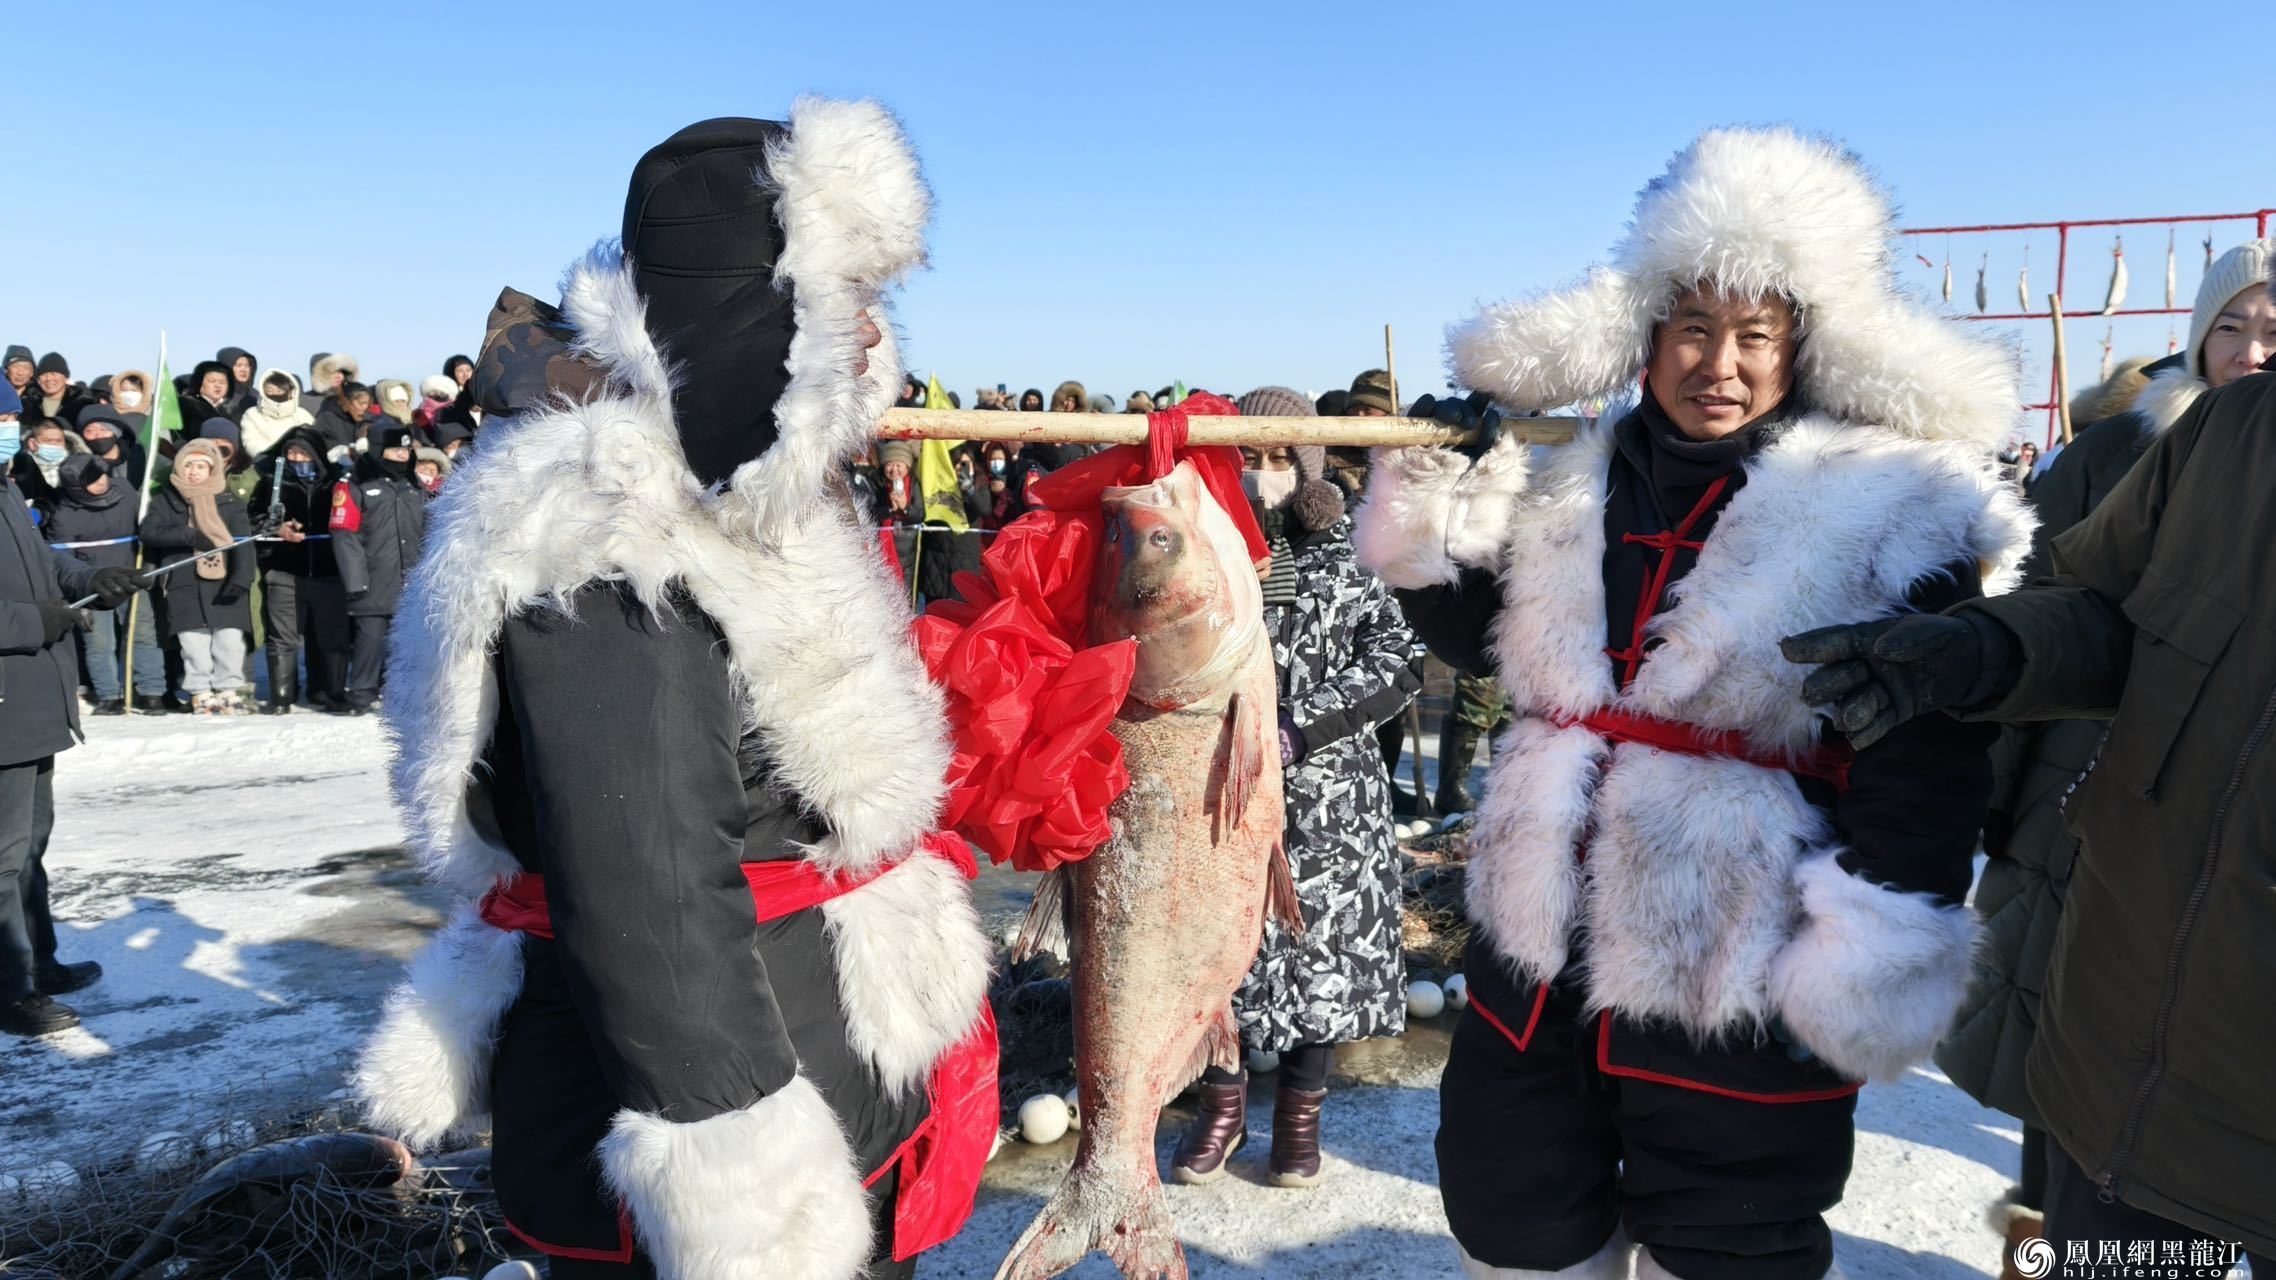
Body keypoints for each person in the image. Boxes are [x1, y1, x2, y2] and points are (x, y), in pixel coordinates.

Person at [1356, 129, 2025, 1280]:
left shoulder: (1885, 510)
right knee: (1513, 1215)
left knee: (1728, 1240)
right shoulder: (1573, 471)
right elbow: (1474, 636)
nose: (1719, 363)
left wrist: (1873, 940)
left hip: (1731, 954)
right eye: (1693, 330)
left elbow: (1922, 756)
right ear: (1646, 337)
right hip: (1536, 943)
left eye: (1753, 336)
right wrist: (1440, 483)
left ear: (1799, 347)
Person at [351, 103, 993, 1280]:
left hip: (800, 1032)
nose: (867, 339)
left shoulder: (729, 485)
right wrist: (745, 1191)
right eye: (838, 302)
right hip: (711, 1129)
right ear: (762, 312)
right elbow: (646, 880)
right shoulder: (610, 515)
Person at [1790, 278, 2276, 1272]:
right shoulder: (2230, 435)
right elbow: (2096, 606)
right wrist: (1985, 650)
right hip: (2127, 1059)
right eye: (2230, 322)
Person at [1932, 238, 2272, 1273]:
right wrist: (1977, 678)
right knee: (2052, 1061)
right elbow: (2067, 603)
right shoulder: (2142, 449)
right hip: (2083, 815)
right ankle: (2034, 1244)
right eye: (2232, 326)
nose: (2252, 351)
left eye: (2273, 332)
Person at [1174, 387, 1421, 1191]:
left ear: (1310, 466)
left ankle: (1302, 1110)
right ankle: (1223, 1100)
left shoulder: (1356, 553)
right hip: (1217, 785)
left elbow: (1397, 659)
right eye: (1248, 458)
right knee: (1220, 948)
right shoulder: (1202, 550)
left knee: (1323, 948)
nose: (1264, 475)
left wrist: (1300, 727)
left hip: (1331, 795)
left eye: (1281, 458)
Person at [0, 384, 142, 1035]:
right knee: (3, 856)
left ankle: (39, 962)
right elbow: (29, 606)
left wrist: (95, 583)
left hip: (39, 704)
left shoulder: (11, 493)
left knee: (32, 847)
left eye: (10, 417)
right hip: (6, 707)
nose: (8, 428)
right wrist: (38, 622)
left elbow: (50, 571)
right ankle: (8, 988)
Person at [139, 439, 254, 715]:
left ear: (213, 469)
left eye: (201, 466)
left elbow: (243, 543)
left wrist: (241, 579)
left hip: (225, 581)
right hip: (183, 582)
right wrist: (188, 535)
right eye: (188, 464)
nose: (193, 471)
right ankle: (200, 692)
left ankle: (228, 689)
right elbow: (150, 532)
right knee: (193, 643)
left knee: (228, 640)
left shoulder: (230, 501)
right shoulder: (165, 500)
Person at [248, 427, 348, 713]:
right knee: (284, 636)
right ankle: (282, 696)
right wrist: (277, 528)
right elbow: (253, 521)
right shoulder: (272, 483)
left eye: (303, 452)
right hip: (284, 569)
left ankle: (329, 691)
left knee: (329, 634)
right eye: (291, 452)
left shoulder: (337, 483)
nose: (296, 458)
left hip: (330, 570)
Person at [49, 456, 159, 715]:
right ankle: (109, 695)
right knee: (99, 643)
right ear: (76, 487)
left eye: (102, 475)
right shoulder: (65, 514)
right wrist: (78, 595)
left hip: (132, 576)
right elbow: (63, 559)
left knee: (143, 635)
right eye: (93, 480)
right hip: (95, 588)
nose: (102, 482)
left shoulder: (126, 492)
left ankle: (152, 691)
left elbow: (145, 524)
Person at [330, 423, 427, 715]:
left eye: (406, 449)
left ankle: (402, 695)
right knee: (370, 640)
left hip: (411, 577)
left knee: (407, 640)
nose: (402, 454)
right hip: (372, 578)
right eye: (396, 448)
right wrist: (356, 581)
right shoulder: (354, 483)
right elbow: (344, 534)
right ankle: (361, 694)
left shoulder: (415, 485)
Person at [240, 368, 314, 458]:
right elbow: (250, 442)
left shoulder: (303, 415)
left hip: (297, 462)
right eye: (269, 391)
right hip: (263, 463)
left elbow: (312, 440)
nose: (274, 394)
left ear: (291, 392)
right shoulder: (252, 414)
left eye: (279, 391)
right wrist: (270, 456)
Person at [76, 405, 146, 492]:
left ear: (117, 432)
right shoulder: (78, 464)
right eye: (90, 431)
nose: (98, 435)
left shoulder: (142, 456)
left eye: (104, 429)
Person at [26, 354, 91, 430]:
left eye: (53, 374)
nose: (49, 378)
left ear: (65, 377)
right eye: (44, 374)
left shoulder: (82, 405)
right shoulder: (28, 404)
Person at [312, 381, 373, 456]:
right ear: (346, 401)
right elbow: (317, 443)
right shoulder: (327, 419)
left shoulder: (369, 420)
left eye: (367, 403)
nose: (364, 407)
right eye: (361, 403)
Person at [216, 347, 259, 419]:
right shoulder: (218, 395)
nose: (243, 370)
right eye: (238, 365)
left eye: (247, 365)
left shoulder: (257, 396)